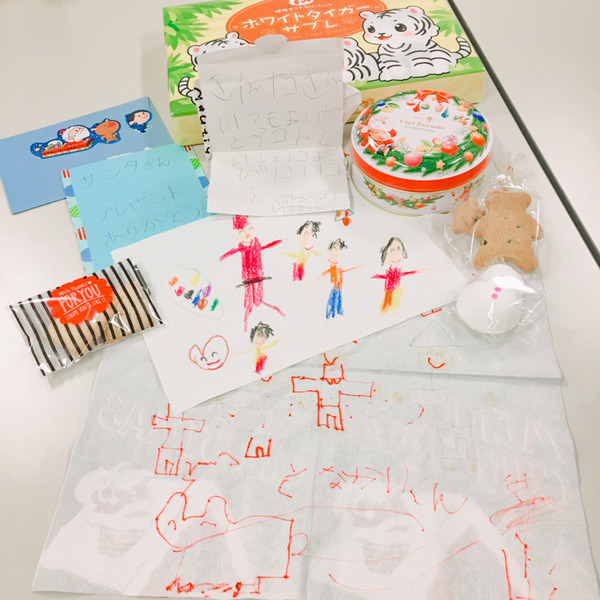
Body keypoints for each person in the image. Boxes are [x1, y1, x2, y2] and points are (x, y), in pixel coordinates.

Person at [372, 237, 418, 313]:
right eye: (392, 250)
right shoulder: (389, 269)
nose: (396, 253)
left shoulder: (399, 269)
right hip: (389, 290)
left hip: (397, 290)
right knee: (386, 306)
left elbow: (401, 274)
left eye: (398, 249)